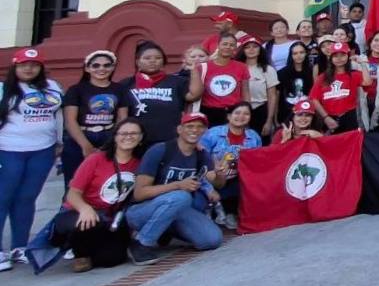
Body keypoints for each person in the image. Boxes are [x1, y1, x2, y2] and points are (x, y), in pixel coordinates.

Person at [126, 112, 223, 264]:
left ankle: (163, 230)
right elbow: (139, 194)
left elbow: (217, 184)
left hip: (177, 210)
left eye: (200, 127)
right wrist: (177, 185)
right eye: (190, 126)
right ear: (179, 129)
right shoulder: (160, 150)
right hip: (141, 211)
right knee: (181, 196)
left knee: (212, 240)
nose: (195, 130)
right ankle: (141, 243)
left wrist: (221, 173)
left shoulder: (202, 154)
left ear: (204, 131)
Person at [52, 118, 144, 272]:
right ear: (115, 136)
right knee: (89, 221)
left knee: (112, 259)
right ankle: (79, 253)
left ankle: (94, 249)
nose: (128, 136)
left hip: (110, 217)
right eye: (123, 133)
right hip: (78, 213)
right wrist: (84, 208)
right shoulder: (96, 159)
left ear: (141, 138)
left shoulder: (140, 162)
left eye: (134, 133)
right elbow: (72, 194)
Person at [0, 49, 64, 268]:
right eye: (23, 64)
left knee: (27, 198)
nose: (29, 68)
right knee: (3, 198)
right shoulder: (4, 89)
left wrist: (60, 141)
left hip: (43, 150)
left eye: (34, 64)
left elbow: (59, 115)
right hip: (9, 149)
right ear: (15, 66)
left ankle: (19, 247)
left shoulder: (52, 86)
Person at [62, 51, 129, 187]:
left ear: (113, 67)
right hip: (80, 137)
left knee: (103, 179)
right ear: (87, 68)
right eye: (96, 65)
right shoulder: (76, 90)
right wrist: (85, 145)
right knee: (74, 181)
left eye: (107, 65)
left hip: (109, 136)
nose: (101, 69)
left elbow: (122, 117)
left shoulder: (119, 89)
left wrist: (111, 142)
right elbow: (70, 121)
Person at [123, 41, 201, 149]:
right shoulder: (127, 84)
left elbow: (194, 95)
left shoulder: (176, 82)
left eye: (158, 58)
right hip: (137, 141)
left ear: (163, 61)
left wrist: (194, 70)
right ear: (137, 62)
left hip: (170, 140)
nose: (153, 61)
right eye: (147, 58)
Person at [198, 102, 261, 230]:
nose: (241, 116)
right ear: (228, 116)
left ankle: (231, 212)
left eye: (246, 114)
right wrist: (209, 188)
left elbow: (259, 161)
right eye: (237, 113)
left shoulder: (254, 137)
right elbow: (199, 161)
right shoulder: (213, 133)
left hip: (238, 180)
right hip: (211, 178)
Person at [198, 33, 250, 127]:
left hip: (233, 112)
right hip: (209, 111)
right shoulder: (203, 67)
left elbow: (245, 92)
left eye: (231, 45)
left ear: (235, 48)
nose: (228, 47)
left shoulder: (242, 67)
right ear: (218, 46)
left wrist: (247, 111)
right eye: (225, 44)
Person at [238, 34, 279, 139]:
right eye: (247, 47)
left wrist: (269, 120)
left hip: (261, 109)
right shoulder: (237, 68)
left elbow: (272, 96)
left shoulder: (268, 69)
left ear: (260, 49)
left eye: (255, 46)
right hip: (239, 110)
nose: (251, 50)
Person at [276, 42, 313, 125]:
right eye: (295, 53)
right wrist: (274, 118)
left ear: (306, 53)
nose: (299, 56)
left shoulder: (312, 72)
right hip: (285, 114)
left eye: (301, 52)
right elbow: (277, 96)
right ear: (291, 55)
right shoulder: (281, 73)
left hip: (307, 114)